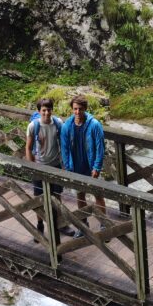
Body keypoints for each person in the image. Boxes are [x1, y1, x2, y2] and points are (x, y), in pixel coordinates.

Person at [60, 94, 106, 223]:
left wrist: (97, 167)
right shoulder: (66, 126)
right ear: (72, 109)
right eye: (75, 109)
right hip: (76, 167)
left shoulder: (94, 125)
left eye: (80, 109)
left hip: (91, 167)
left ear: (85, 108)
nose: (77, 112)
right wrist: (68, 168)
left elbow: (100, 148)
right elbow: (65, 149)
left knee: (98, 195)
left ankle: (104, 224)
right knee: (80, 196)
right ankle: (84, 224)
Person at [25, 97, 64, 235]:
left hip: (55, 164)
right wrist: (32, 167)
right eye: (43, 110)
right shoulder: (33, 126)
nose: (46, 113)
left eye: (49, 110)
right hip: (39, 165)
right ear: (39, 111)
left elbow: (63, 144)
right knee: (39, 198)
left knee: (57, 195)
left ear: (52, 110)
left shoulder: (58, 123)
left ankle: (60, 224)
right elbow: (28, 148)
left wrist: (64, 164)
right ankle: (40, 225)